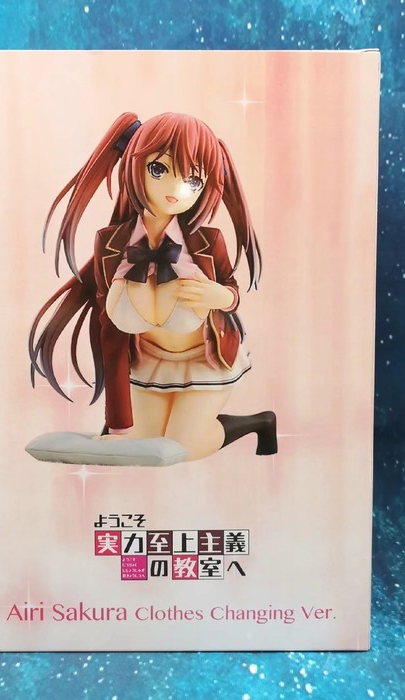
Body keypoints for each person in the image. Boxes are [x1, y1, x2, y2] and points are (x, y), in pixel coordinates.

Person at [29, 112, 277, 462]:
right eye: (159, 169)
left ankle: (260, 423)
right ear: (135, 166)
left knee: (183, 447)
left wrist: (222, 296)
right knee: (146, 443)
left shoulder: (207, 241)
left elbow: (231, 288)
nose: (176, 190)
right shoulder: (112, 244)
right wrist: (118, 426)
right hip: (149, 361)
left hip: (205, 358)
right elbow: (111, 334)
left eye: (193, 179)